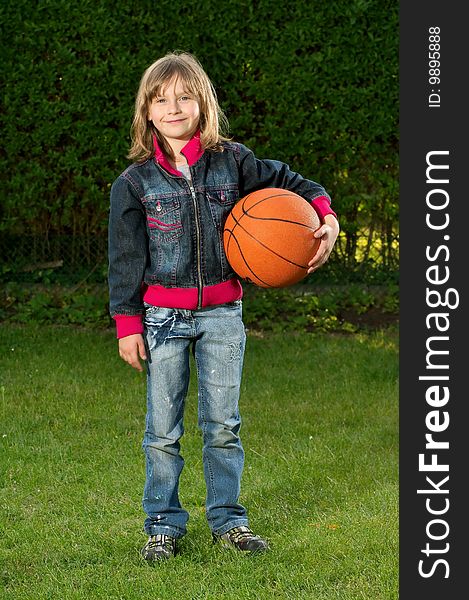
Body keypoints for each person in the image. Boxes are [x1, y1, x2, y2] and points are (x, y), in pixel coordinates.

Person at [108, 51, 339, 563]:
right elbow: (125, 260)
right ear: (147, 111)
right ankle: (163, 525)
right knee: (162, 432)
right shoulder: (133, 184)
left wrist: (327, 215)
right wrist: (128, 323)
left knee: (222, 426)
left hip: (222, 318)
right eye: (161, 99)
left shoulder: (234, 162)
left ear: (202, 104)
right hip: (162, 319)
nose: (174, 107)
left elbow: (299, 184)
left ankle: (228, 522)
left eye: (185, 96)